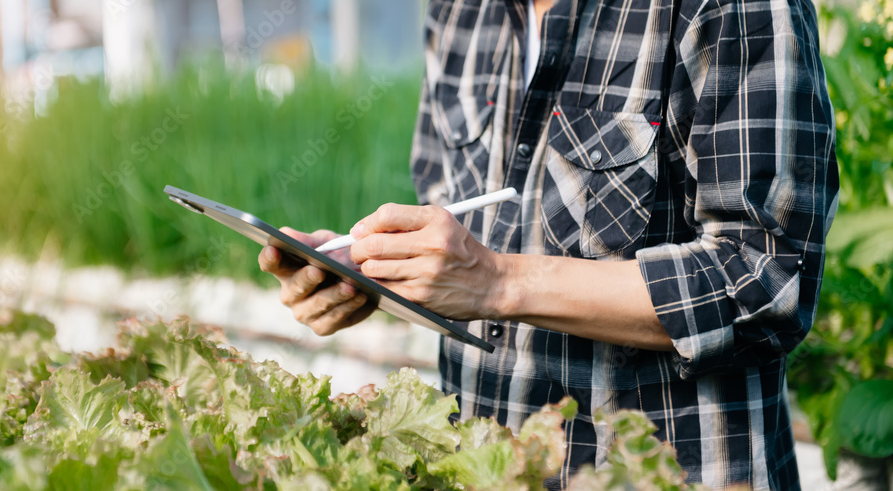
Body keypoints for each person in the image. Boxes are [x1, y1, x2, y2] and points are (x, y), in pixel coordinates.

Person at [259, 0, 839, 489]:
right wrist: (365, 270)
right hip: (480, 468)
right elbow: (462, 230)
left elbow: (765, 279)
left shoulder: (730, 8)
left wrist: (498, 282)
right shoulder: (461, 11)